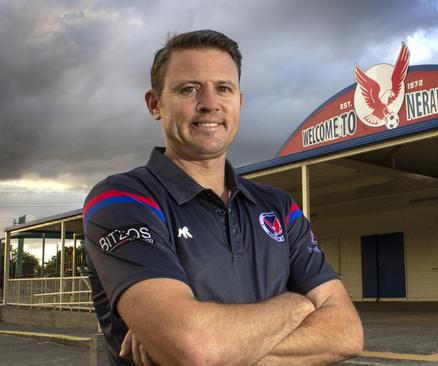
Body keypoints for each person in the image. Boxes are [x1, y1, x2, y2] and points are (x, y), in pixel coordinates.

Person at [83, 30, 364, 365]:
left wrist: (209, 343)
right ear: (155, 104)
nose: (209, 103)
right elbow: (194, 350)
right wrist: (298, 305)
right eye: (188, 89)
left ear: (239, 102)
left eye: (223, 88)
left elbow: (347, 333)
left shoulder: (279, 207)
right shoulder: (120, 201)